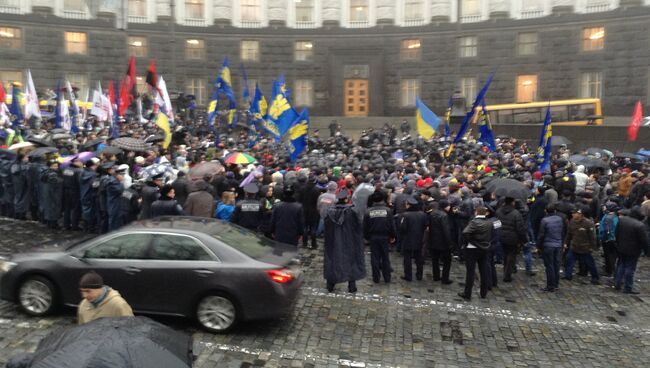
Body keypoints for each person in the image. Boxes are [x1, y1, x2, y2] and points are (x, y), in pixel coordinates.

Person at [323, 190, 366, 292]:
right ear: (346, 199)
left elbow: (327, 227)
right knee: (351, 261)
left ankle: (330, 284)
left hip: (333, 241)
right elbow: (358, 227)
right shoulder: (352, 212)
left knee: (333, 261)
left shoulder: (330, 212)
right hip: (350, 240)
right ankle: (352, 286)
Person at [458, 206, 493, 301]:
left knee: (470, 272)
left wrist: (472, 241)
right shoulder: (490, 222)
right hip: (484, 248)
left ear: (476, 212)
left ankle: (467, 293)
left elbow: (465, 232)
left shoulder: (474, 222)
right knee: (484, 271)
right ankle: (483, 292)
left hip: (472, 249)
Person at [614, 207, 649, 294]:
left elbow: (616, 233)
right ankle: (628, 288)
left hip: (621, 248)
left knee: (621, 265)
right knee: (630, 268)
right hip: (633, 250)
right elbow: (644, 241)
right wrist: (647, 252)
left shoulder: (622, 220)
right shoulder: (640, 225)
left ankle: (617, 283)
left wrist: (618, 244)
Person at [363, 191, 396, 283]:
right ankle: (387, 277)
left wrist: (367, 237)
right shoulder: (388, 211)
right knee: (385, 257)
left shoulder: (368, 211)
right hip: (385, 237)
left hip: (373, 237)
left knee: (375, 257)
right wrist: (393, 235)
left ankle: (376, 277)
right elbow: (392, 225)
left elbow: (365, 227)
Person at [496, 197, 528, 282]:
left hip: (502, 237)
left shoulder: (499, 211)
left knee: (506, 254)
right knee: (511, 256)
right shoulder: (516, 213)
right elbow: (520, 228)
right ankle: (507, 274)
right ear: (512, 203)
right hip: (513, 238)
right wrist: (524, 240)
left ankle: (506, 270)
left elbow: (496, 225)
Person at [564, 208, 599, 284]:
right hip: (574, 247)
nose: (572, 214)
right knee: (568, 261)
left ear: (580, 214)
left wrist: (592, 247)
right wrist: (566, 243)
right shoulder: (572, 222)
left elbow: (592, 237)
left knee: (590, 264)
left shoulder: (588, 223)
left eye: (574, 213)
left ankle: (595, 278)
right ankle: (568, 275)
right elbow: (569, 234)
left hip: (585, 248)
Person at [537, 204, 565, 292]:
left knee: (549, 266)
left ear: (546, 211)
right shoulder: (559, 219)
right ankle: (556, 284)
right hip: (558, 244)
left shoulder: (544, 220)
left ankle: (550, 285)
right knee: (556, 265)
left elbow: (541, 235)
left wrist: (538, 246)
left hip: (548, 245)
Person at [399, 196, 427, 281]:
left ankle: (408, 275)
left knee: (407, 258)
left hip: (408, 239)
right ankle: (419, 275)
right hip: (419, 238)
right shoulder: (423, 214)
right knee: (419, 258)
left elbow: (402, 228)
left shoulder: (405, 215)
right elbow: (425, 226)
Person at [428, 199, 454, 285]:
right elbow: (446, 230)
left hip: (433, 240)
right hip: (443, 242)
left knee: (435, 259)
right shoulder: (444, 216)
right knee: (447, 261)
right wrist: (450, 243)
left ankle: (436, 276)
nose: (449, 207)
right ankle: (445, 278)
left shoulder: (433, 213)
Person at [598, 202, 619, 277]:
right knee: (611, 255)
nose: (604, 208)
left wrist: (603, 239)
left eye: (605, 207)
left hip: (608, 240)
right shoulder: (614, 216)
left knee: (608, 255)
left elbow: (607, 231)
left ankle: (609, 270)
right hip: (613, 239)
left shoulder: (608, 218)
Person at [41, 159, 63, 230]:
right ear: (50, 166)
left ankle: (49, 223)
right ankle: (53, 224)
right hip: (53, 194)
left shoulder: (45, 172)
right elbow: (56, 182)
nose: (56, 167)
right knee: (54, 209)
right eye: (54, 166)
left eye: (57, 166)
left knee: (48, 208)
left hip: (47, 194)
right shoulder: (53, 174)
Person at [62, 156, 82, 231]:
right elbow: (79, 182)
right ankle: (74, 225)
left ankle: (66, 224)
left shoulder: (65, 169)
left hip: (66, 190)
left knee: (67, 208)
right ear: (75, 162)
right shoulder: (78, 171)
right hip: (75, 191)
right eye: (79, 161)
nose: (81, 163)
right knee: (75, 208)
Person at [79, 159, 99, 233]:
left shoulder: (82, 172)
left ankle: (85, 227)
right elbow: (95, 186)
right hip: (91, 195)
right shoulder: (94, 175)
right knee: (91, 212)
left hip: (83, 194)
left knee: (85, 211)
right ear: (92, 166)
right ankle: (91, 228)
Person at [106, 165, 125, 231]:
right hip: (114, 204)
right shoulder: (113, 182)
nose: (123, 176)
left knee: (117, 220)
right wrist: (121, 182)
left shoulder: (114, 180)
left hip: (116, 203)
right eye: (122, 174)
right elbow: (120, 190)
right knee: (114, 220)